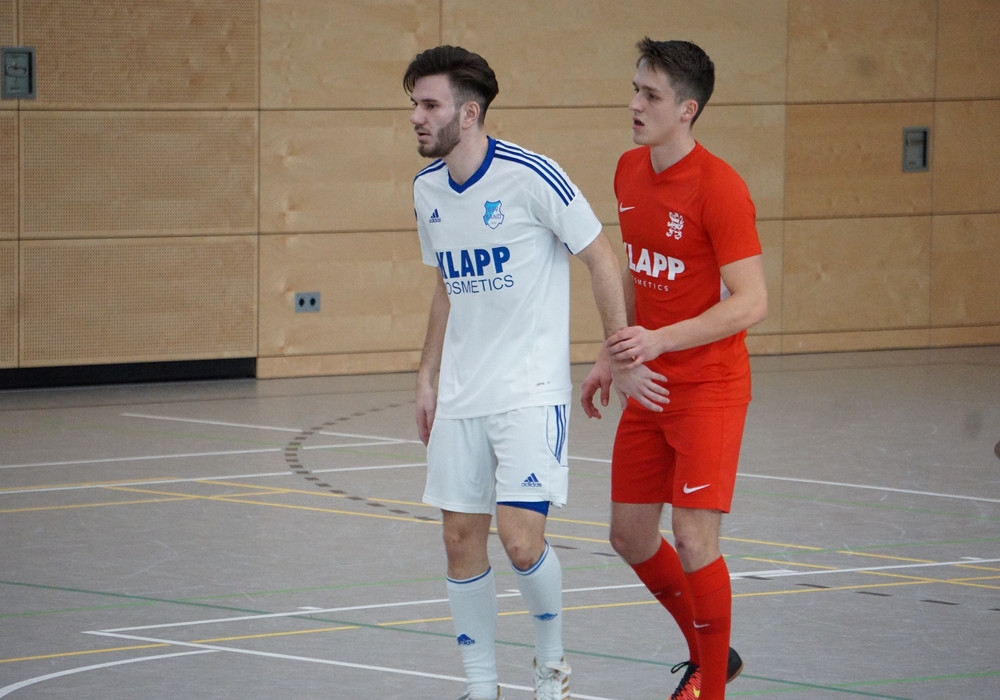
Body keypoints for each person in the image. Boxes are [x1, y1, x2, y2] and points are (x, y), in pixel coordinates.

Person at [404, 45, 661, 700]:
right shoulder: (427, 190)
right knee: (460, 540)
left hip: (528, 393)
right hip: (461, 396)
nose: (416, 117)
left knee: (521, 543)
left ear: (469, 113)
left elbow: (601, 258)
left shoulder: (532, 176)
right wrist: (428, 375)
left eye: (429, 104)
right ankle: (481, 686)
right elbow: (446, 285)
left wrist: (618, 351)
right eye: (413, 104)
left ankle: (552, 668)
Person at [581, 38, 768, 700]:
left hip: (709, 389)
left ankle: (710, 688)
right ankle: (712, 655)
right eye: (635, 89)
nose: (635, 104)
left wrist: (660, 340)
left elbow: (752, 301)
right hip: (649, 385)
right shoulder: (629, 170)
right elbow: (639, 272)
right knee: (630, 535)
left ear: (687, 109)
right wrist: (612, 353)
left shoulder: (720, 188)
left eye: (651, 95)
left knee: (692, 538)